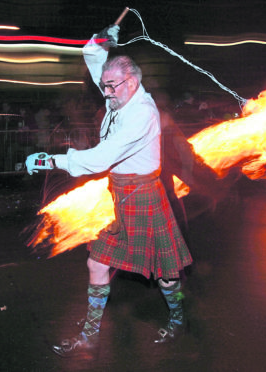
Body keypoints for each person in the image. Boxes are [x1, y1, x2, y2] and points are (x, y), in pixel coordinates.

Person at [45, 24, 192, 357]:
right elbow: (92, 55)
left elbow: (101, 158)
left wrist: (52, 160)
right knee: (97, 264)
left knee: (168, 277)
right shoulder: (119, 91)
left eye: (111, 87)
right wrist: (101, 40)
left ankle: (180, 316)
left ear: (133, 83)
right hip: (122, 198)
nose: (106, 93)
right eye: (105, 86)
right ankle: (90, 335)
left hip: (144, 197)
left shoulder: (142, 114)